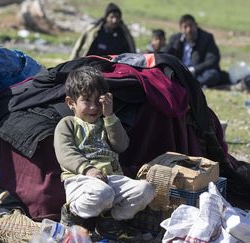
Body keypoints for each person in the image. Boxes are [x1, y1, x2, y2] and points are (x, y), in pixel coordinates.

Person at [54, 66, 155, 241]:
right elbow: (65, 152)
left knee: (146, 190)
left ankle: (110, 222)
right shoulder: (68, 124)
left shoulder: (107, 123)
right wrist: (88, 170)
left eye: (98, 102)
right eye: (86, 101)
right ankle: (71, 212)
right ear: (71, 103)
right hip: (81, 180)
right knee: (103, 193)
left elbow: (121, 145)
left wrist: (109, 116)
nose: (94, 107)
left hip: (111, 179)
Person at [163, 14, 222, 87]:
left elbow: (212, 59)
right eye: (185, 27)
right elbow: (165, 53)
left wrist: (194, 69)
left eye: (191, 26)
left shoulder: (206, 38)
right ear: (181, 29)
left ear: (196, 25)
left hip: (197, 72)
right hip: (181, 71)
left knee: (213, 74)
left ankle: (189, 84)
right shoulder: (175, 39)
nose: (189, 30)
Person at [69, 3, 136, 59]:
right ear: (106, 17)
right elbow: (77, 47)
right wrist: (71, 63)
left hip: (116, 65)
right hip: (92, 64)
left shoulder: (124, 33)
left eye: (117, 17)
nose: (114, 20)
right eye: (112, 17)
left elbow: (131, 51)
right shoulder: (94, 30)